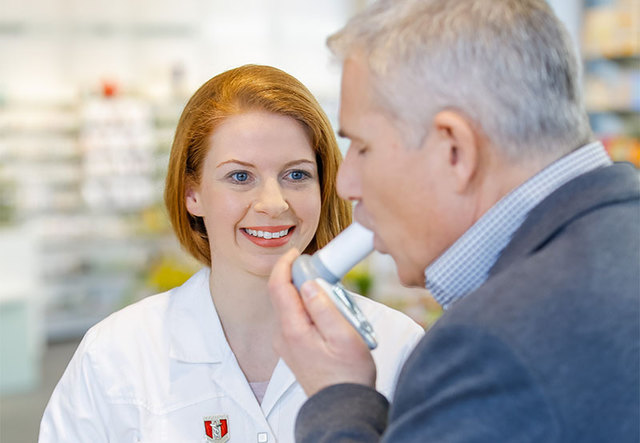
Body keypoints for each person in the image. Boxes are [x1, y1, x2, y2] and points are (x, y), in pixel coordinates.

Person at [268, 1, 640, 441]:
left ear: (454, 151)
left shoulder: (490, 345)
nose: (345, 184)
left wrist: (338, 396)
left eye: (363, 148)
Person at [38, 64, 424, 442]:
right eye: (240, 176)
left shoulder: (397, 346)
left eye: (297, 175)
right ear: (193, 194)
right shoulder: (114, 355)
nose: (273, 203)